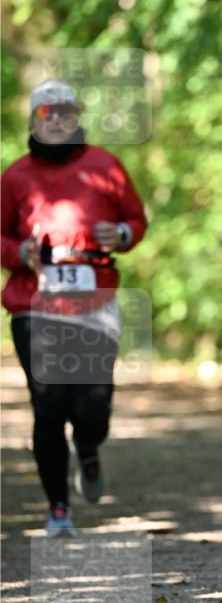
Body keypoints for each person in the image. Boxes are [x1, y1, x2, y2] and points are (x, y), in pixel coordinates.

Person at [1, 79, 147, 536]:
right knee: (48, 405)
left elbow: (135, 219)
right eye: (49, 112)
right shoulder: (16, 176)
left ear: (77, 117)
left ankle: (88, 447)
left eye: (67, 111)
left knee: (92, 406)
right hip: (34, 303)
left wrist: (121, 235)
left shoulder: (105, 165)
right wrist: (18, 253)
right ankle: (58, 509)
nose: (59, 118)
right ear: (35, 120)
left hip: (94, 297)